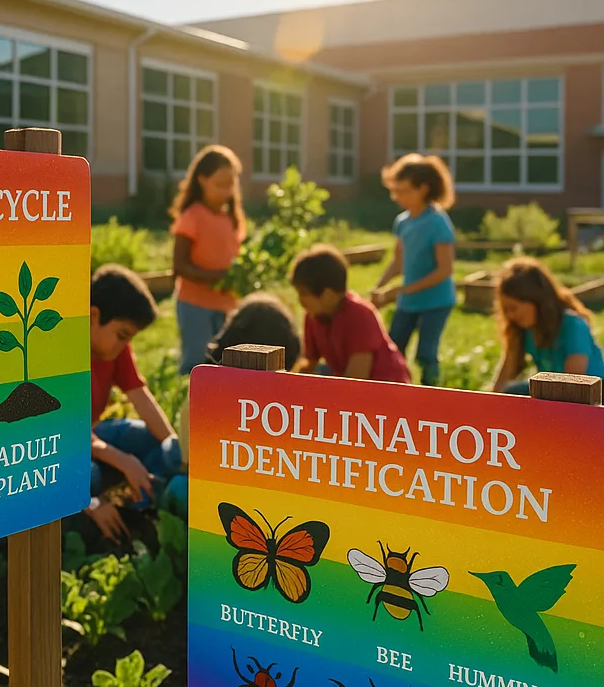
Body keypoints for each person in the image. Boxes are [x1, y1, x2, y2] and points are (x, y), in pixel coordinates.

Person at [88, 263, 184, 542]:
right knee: (88, 475)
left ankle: (149, 509)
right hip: (62, 449)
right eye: (122, 335)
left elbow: (140, 396)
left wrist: (176, 453)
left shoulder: (114, 349)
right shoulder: (62, 353)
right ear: (94, 316)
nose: (123, 345)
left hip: (93, 438)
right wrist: (124, 460)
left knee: (155, 443)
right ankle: (91, 511)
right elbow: (63, 434)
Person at [177, 292, 303, 490]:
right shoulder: (290, 407)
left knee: (174, 475)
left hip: (205, 487)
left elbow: (187, 463)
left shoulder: (204, 391)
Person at [371, 153, 457, 386]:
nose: (397, 197)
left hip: (436, 301)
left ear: (423, 189)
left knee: (425, 355)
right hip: (408, 301)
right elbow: (398, 262)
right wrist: (379, 287)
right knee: (393, 348)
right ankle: (392, 394)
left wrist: (403, 289)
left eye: (404, 191)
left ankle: (431, 399)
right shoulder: (402, 222)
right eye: (394, 190)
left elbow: (444, 270)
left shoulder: (437, 222)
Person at [489, 257, 604, 405]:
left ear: (536, 300)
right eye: (506, 310)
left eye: (514, 308)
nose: (511, 315)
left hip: (594, 397)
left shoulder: (573, 325)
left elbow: (573, 382)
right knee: (511, 391)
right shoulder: (525, 330)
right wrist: (490, 405)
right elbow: (507, 370)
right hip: (554, 392)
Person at [169, 144, 246, 374]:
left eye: (230, 185)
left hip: (227, 305)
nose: (226, 191)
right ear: (202, 180)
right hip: (195, 305)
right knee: (196, 363)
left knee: (226, 364)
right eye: (219, 184)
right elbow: (179, 265)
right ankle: (189, 408)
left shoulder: (231, 218)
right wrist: (215, 278)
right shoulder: (192, 216)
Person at [290, 244, 411, 383]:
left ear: (328, 295)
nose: (300, 300)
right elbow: (308, 362)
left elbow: (356, 379)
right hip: (347, 378)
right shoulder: (314, 315)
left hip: (388, 387)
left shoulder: (360, 316)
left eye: (303, 294)